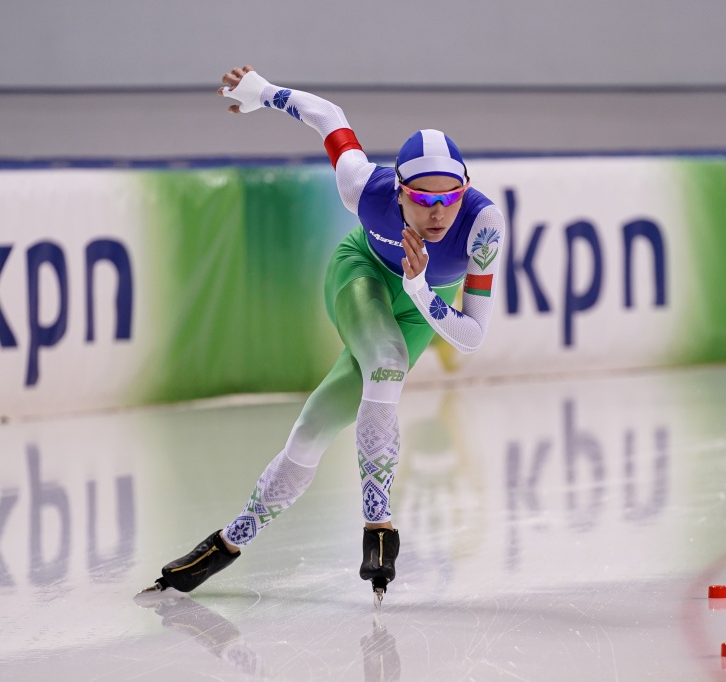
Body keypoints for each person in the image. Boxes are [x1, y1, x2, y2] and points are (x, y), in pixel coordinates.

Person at [138, 66, 506, 602]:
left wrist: (424, 290)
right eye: (422, 201)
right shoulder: (365, 188)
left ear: (465, 191)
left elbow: (472, 336)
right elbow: (329, 118)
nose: (437, 213)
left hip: (420, 305)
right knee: (386, 360)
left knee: (313, 427)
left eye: (449, 199)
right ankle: (379, 528)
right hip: (360, 274)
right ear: (399, 192)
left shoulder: (484, 226)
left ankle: (227, 541)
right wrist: (264, 92)